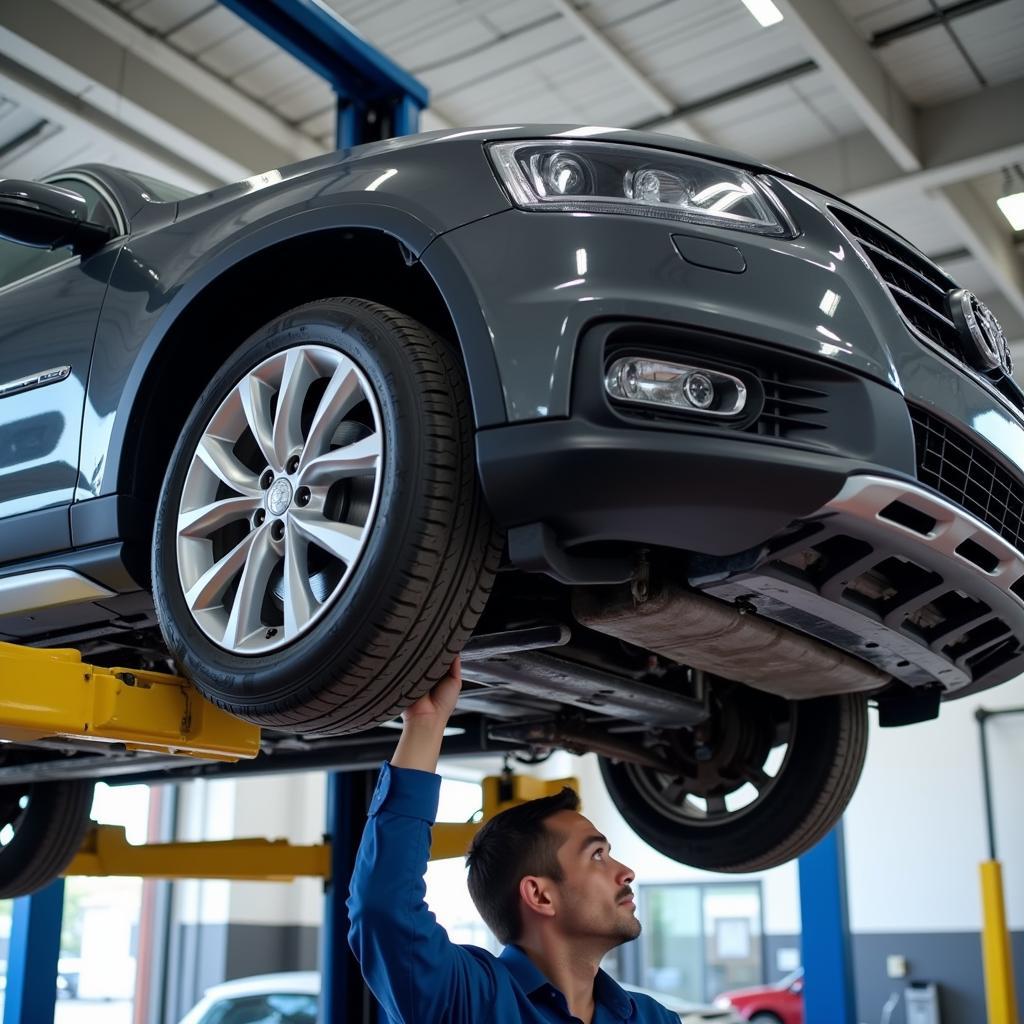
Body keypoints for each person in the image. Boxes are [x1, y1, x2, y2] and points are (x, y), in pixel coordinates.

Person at [347, 656, 679, 1023]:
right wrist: (425, 726)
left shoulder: (654, 1018)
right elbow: (383, 906)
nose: (627, 872)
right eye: (597, 855)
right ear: (539, 895)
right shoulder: (467, 1001)